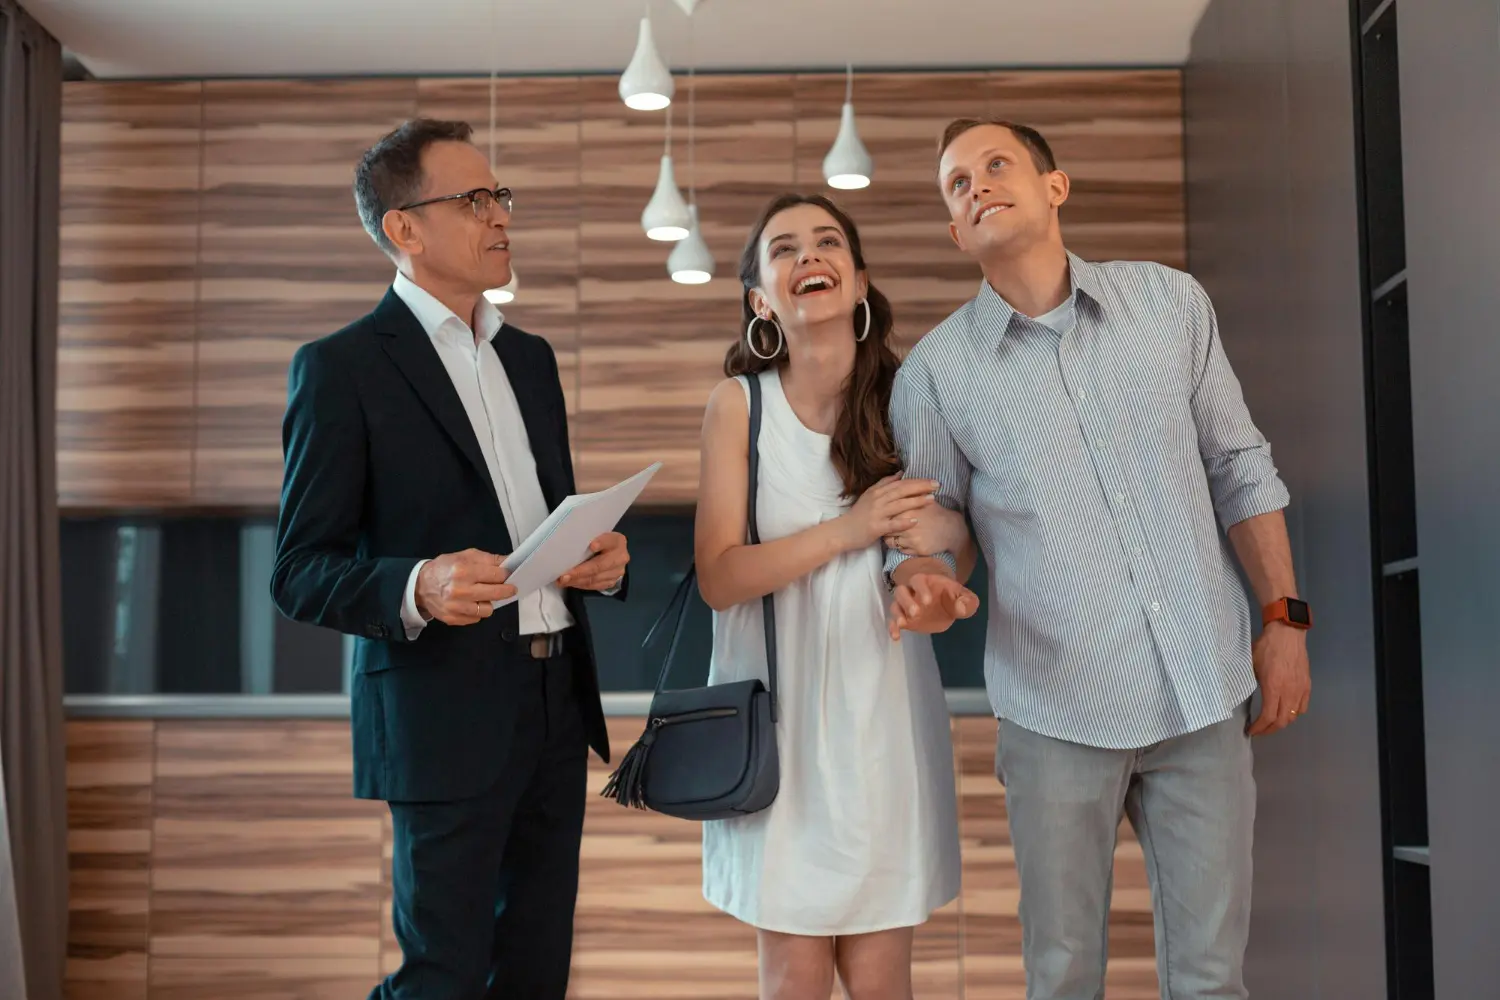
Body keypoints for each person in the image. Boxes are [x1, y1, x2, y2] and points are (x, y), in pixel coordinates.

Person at [885, 118, 1314, 1000]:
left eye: (995, 165)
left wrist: (1285, 619)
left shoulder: (1169, 304)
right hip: (1053, 712)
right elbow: (937, 525)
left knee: (1211, 979)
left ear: (1056, 186)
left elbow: (1240, 466)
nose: (977, 186)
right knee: (1062, 977)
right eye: (957, 184)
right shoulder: (933, 375)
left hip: (1203, 691)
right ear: (956, 230)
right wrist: (924, 581)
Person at [270, 118, 630, 1000]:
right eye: (474, 200)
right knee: (443, 976)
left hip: (554, 703)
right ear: (405, 228)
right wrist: (417, 584)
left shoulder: (531, 361)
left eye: (500, 195)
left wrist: (597, 560)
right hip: (440, 717)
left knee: (537, 973)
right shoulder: (341, 368)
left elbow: (544, 522)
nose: (501, 215)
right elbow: (298, 569)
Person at [693, 192, 970, 1000]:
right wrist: (849, 530)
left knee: (883, 981)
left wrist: (936, 587)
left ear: (859, 281)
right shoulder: (737, 407)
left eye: (826, 243)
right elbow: (720, 577)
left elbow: (940, 538)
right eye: (783, 249)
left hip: (882, 722)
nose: (808, 256)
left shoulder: (910, 397)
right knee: (793, 978)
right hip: (777, 735)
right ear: (760, 300)